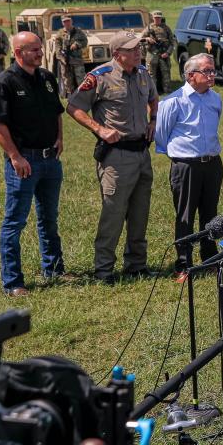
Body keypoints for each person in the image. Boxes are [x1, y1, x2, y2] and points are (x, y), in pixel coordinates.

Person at [66, 31, 159, 284]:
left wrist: (153, 120)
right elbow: (74, 107)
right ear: (117, 54)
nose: (138, 52)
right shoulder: (99, 77)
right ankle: (104, 270)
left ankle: (136, 265)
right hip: (116, 157)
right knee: (113, 214)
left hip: (142, 152)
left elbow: (153, 97)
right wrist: (99, 129)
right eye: (132, 49)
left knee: (140, 213)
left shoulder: (142, 74)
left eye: (139, 47)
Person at [0, 32, 68, 296]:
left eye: (40, 48)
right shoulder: (3, 83)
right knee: (15, 222)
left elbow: (57, 111)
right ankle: (13, 282)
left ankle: (54, 269)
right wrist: (15, 156)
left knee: (49, 219)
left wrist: (59, 138)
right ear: (19, 52)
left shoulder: (46, 78)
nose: (40, 53)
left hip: (50, 160)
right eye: (33, 49)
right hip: (24, 162)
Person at [155, 53, 223, 280]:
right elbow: (162, 137)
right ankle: (183, 264)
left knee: (210, 214)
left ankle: (210, 258)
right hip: (186, 166)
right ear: (191, 75)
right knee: (185, 216)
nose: (212, 75)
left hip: (212, 164)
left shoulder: (215, 99)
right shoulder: (172, 101)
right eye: (207, 71)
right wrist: (183, 157)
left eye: (213, 70)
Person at [141, 10, 176, 93]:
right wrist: (147, 39)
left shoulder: (166, 28)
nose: (157, 20)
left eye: (159, 18)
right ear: (153, 18)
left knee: (166, 73)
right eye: (155, 18)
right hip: (152, 54)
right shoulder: (149, 28)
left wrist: (168, 53)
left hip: (163, 54)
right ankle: (153, 91)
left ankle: (167, 90)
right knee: (151, 74)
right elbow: (141, 39)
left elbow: (172, 42)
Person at [53, 16, 88, 96]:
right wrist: (61, 58)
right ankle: (71, 96)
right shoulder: (60, 34)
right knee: (67, 80)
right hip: (65, 60)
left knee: (81, 77)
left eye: (68, 21)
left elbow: (85, 42)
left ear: (71, 21)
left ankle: (83, 95)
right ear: (62, 23)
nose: (67, 23)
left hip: (76, 59)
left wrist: (77, 44)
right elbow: (57, 48)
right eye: (65, 21)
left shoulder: (78, 32)